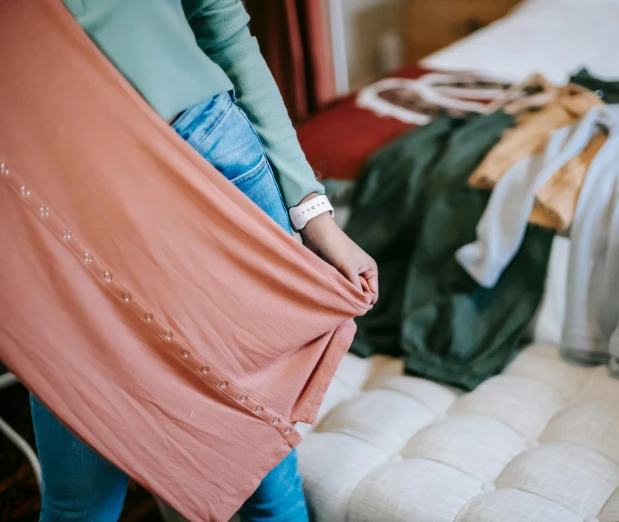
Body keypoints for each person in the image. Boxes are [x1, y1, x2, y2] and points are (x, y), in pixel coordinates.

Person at [31, 1, 378, 521]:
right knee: (81, 503)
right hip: (56, 208)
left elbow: (221, 24)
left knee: (264, 481)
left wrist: (314, 213)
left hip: (209, 168)